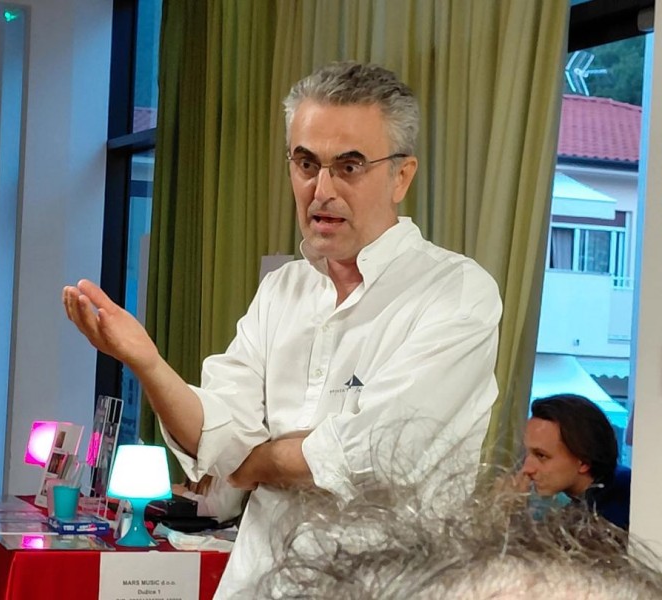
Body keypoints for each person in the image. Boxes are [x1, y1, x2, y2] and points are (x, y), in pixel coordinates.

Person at [63, 61, 502, 597]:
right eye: (306, 163)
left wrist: (256, 462)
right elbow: (215, 435)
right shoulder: (283, 290)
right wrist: (146, 362)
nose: (322, 189)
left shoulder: (455, 291)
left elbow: (374, 456)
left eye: (349, 166)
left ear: (401, 176)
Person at [252, 462, 660, 599]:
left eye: (541, 455)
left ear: (582, 460)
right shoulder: (555, 508)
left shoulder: (610, 521)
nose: (528, 468)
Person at [520, 393, 631, 530]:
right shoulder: (588, 499)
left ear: (584, 462)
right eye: (527, 453)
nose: (527, 468)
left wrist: (514, 512)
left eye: (541, 456)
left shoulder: (607, 519)